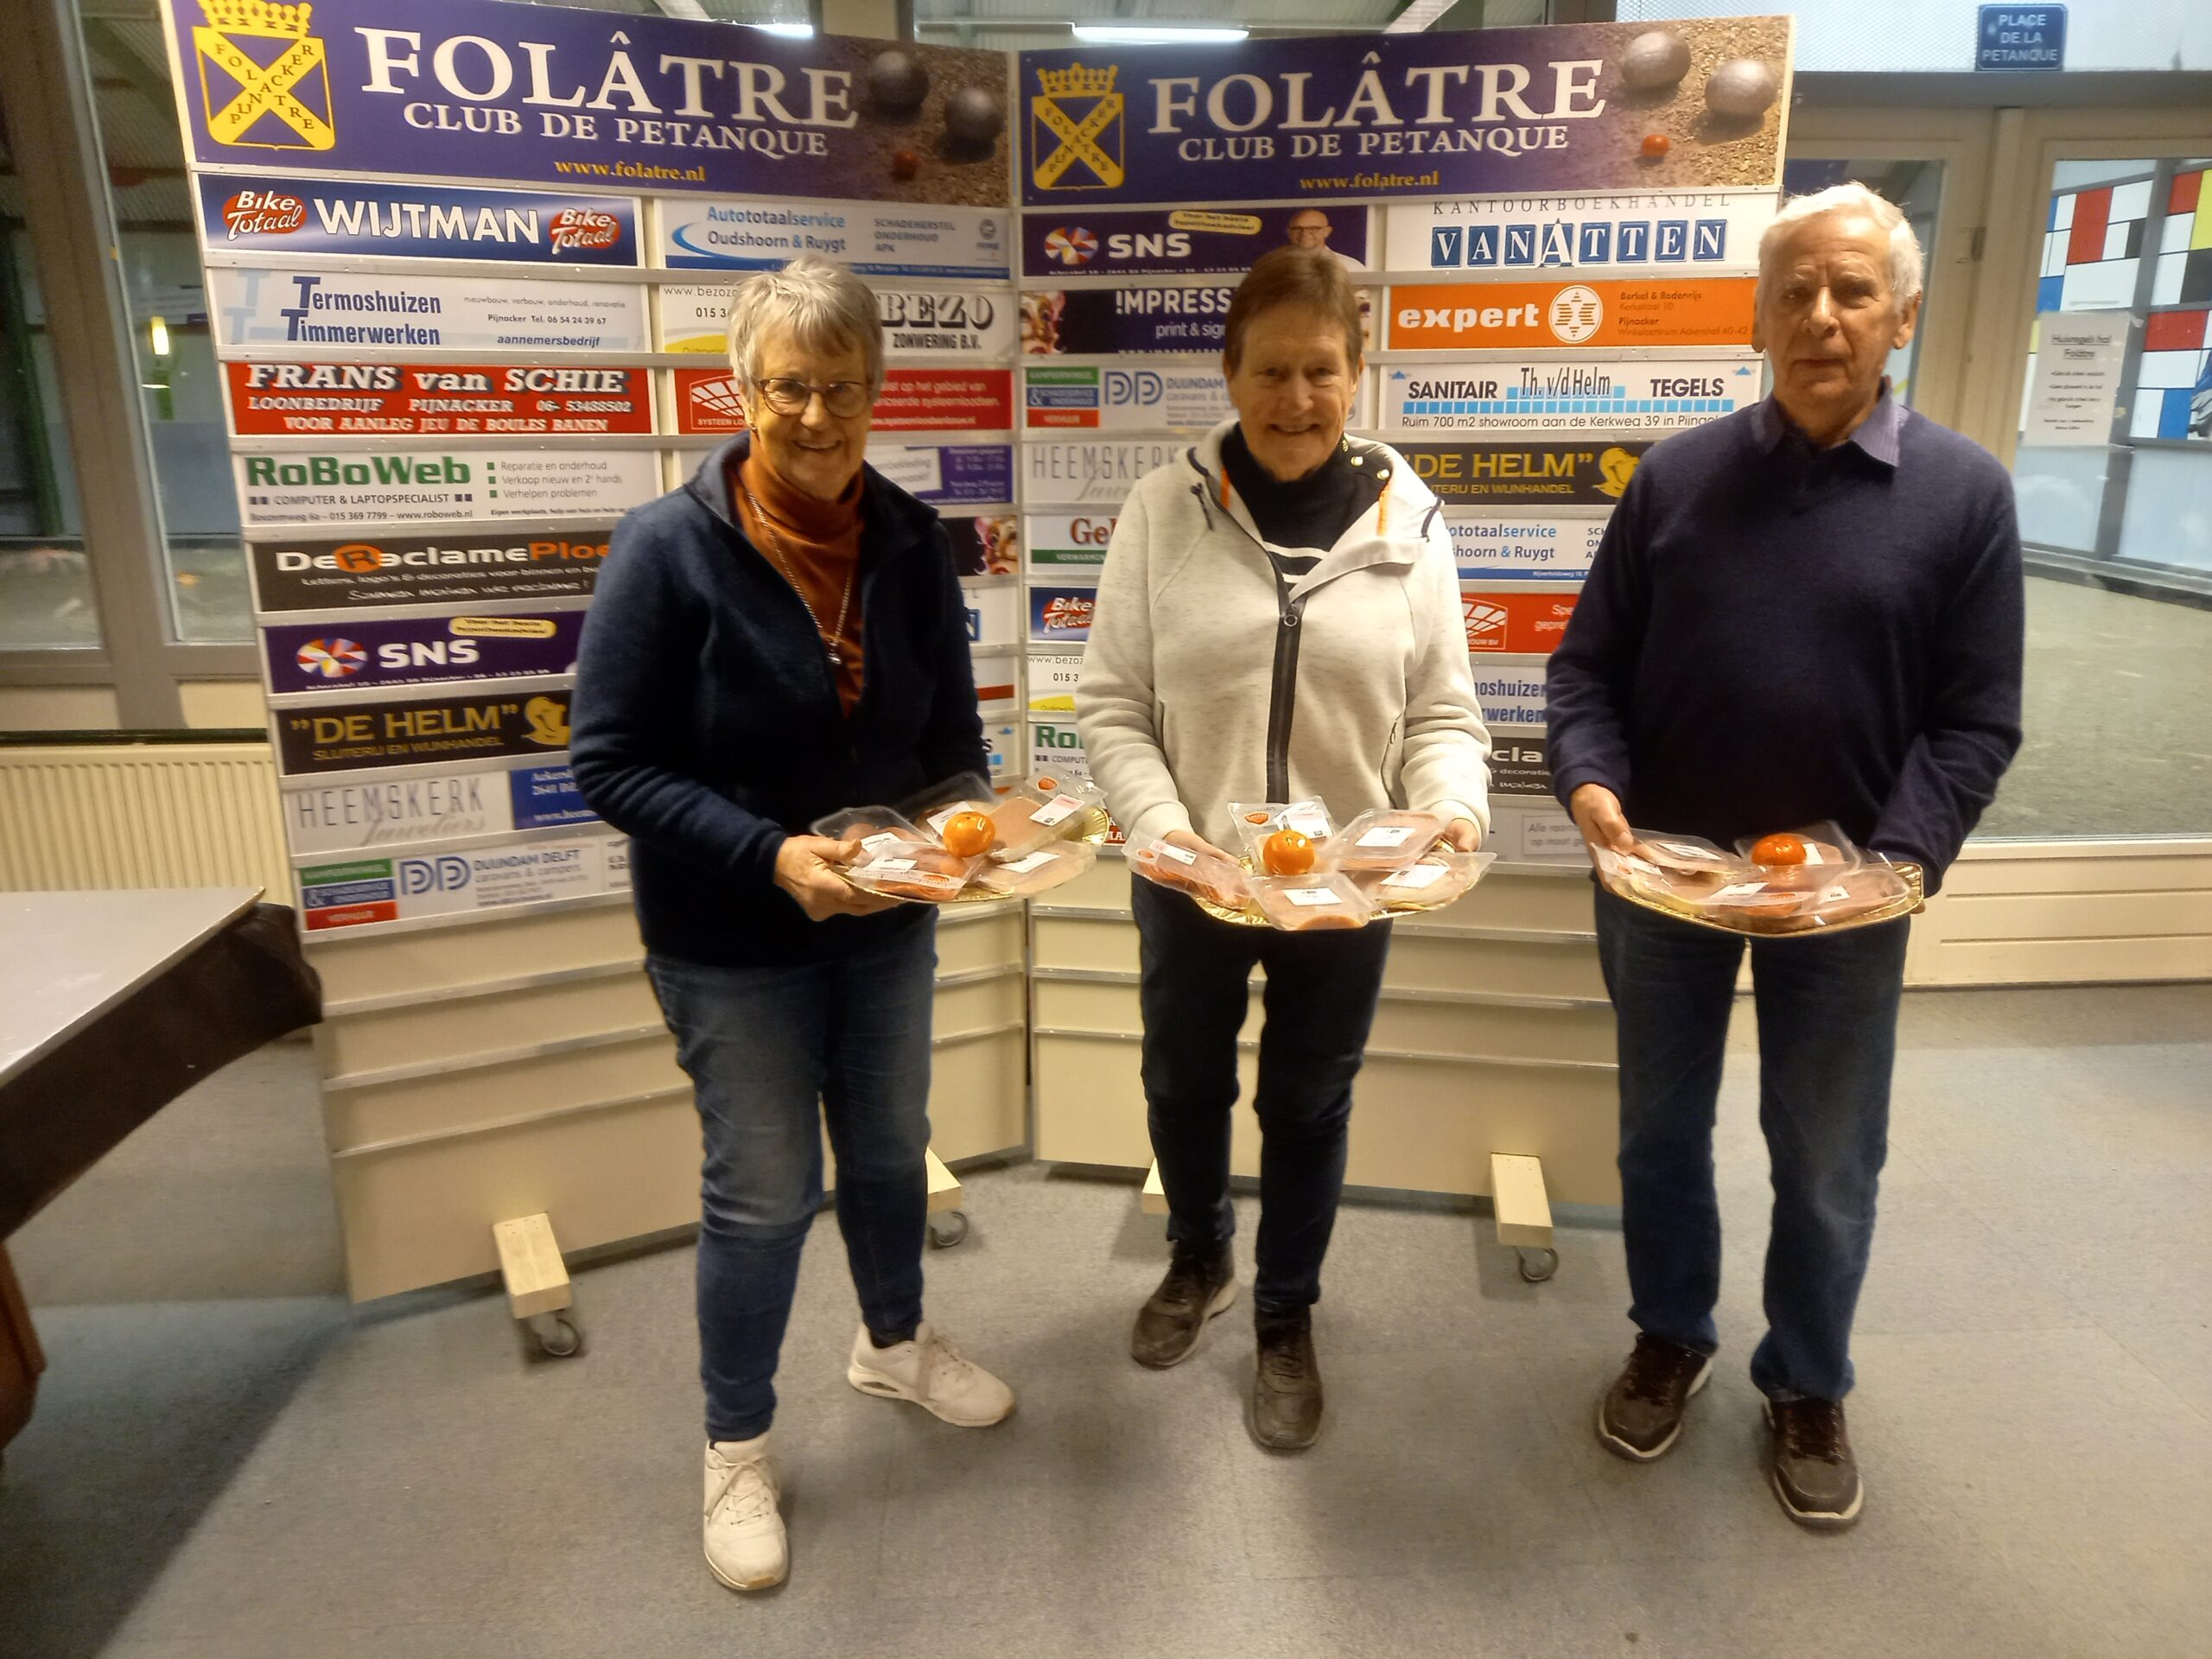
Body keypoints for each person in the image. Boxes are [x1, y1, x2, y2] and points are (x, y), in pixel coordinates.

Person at [1547, 182, 2024, 1529]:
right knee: (1658, 1132)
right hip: (1669, 883)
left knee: (1824, 1154)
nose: (1823, 315)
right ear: (1757, 316)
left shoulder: (1965, 496)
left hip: (1848, 899)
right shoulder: (1676, 479)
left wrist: (1901, 861)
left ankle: (1808, 1380)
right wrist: (1592, 785)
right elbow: (1585, 674)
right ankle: (1671, 1334)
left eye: (1853, 291)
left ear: (1901, 317)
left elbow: (1978, 720)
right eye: (1796, 291)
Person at [571, 256, 1015, 1595]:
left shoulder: (912, 541)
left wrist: (969, 830)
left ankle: (893, 1343)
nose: (815, 417)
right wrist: (770, 856)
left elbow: (950, 739)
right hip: (730, 944)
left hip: (884, 927)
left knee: (887, 1155)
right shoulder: (664, 549)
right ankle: (737, 1447)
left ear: (878, 391)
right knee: (762, 1197)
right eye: (787, 388)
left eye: (841, 388)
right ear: (740, 390)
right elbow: (610, 764)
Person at [1077, 245, 1489, 1452]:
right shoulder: (1162, 510)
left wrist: (1451, 809)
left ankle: (1285, 1310)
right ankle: (1199, 1253)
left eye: (1320, 370)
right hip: (1192, 878)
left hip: (1344, 890)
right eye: (1270, 371)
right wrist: (1168, 837)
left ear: (1358, 373)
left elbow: (1442, 716)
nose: (1295, 398)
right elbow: (1112, 705)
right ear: (1229, 373)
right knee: (1181, 1083)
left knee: (1308, 1103)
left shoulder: (1410, 521)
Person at [1286, 207, 1367, 271]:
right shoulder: (1278, 266)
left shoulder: (1350, 267)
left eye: (1313, 228)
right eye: (1297, 229)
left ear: (1327, 232)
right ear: (1289, 232)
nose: (1304, 233)